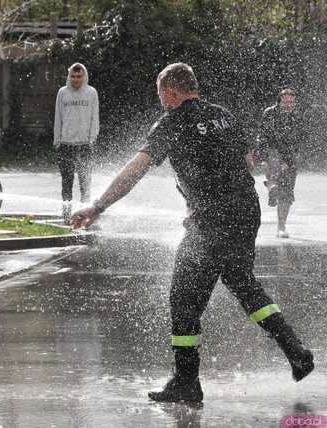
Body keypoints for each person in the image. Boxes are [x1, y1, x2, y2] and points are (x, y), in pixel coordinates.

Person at [71, 63, 314, 403]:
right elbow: (247, 163)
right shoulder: (224, 115)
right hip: (246, 211)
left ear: (171, 92)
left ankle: (186, 382)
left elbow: (134, 171)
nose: (161, 102)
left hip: (210, 222)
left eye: (161, 95)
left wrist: (96, 207)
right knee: (242, 284)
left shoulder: (172, 123)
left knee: (182, 301)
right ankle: (296, 351)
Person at [255, 88, 305, 238]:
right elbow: (262, 136)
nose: (289, 104)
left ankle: (281, 226)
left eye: (291, 102)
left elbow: (300, 140)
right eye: (285, 101)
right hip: (272, 151)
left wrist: (290, 161)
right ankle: (272, 186)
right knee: (275, 167)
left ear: (295, 102)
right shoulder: (270, 113)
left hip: (290, 156)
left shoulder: (298, 116)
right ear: (279, 101)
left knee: (287, 193)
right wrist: (263, 159)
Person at [53, 62, 99, 224]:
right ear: (69, 76)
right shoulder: (62, 93)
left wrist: (92, 138)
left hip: (85, 145)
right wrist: (57, 140)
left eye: (79, 76)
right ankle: (67, 217)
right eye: (73, 76)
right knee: (66, 185)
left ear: (84, 76)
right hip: (65, 145)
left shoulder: (91, 93)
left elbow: (95, 118)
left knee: (85, 185)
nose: (76, 79)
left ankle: (84, 217)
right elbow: (58, 117)